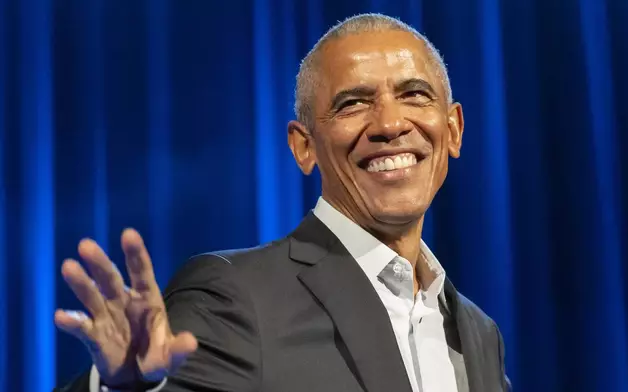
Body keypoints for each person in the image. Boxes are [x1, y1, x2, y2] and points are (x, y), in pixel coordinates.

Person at [54, 13, 511, 392]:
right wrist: (121, 387)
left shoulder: (477, 331)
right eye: (353, 104)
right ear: (303, 146)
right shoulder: (235, 296)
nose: (390, 123)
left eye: (414, 95)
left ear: (452, 130)